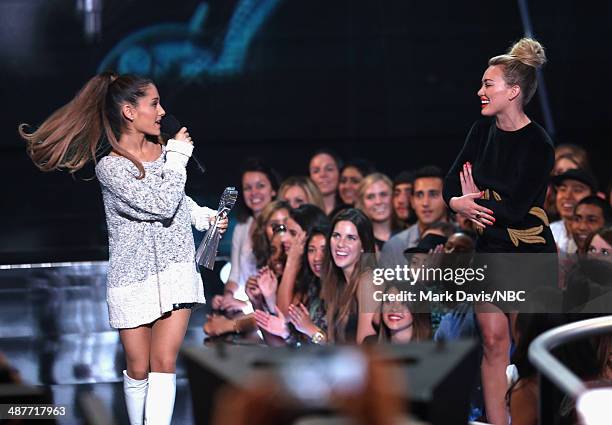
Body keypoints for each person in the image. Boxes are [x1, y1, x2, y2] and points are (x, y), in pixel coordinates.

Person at [19, 72, 228, 425]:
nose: (162, 111)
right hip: (133, 279)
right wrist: (178, 157)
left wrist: (204, 216)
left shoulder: (165, 151)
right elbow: (157, 203)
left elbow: (175, 200)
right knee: (138, 366)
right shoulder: (111, 167)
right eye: (154, 103)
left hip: (177, 268)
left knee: (164, 362)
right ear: (129, 112)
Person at [442, 39, 557, 424]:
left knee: (525, 350)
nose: (480, 91)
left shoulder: (538, 143)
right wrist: (459, 203)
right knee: (492, 342)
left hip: (527, 254)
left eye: (488, 84)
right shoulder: (480, 131)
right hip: (490, 250)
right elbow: (451, 185)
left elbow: (515, 206)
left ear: (513, 91)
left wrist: (474, 205)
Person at [215, 158, 278, 313]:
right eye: (248, 188)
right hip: (249, 306)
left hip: (270, 309)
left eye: (260, 186)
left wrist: (245, 306)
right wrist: (228, 297)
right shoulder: (242, 227)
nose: (254, 192)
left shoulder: (279, 227)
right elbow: (235, 273)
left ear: (273, 190)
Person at [379, 165, 449, 269]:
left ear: (447, 198)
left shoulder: (463, 239)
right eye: (419, 195)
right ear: (412, 201)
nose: (425, 203)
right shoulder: (395, 246)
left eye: (433, 194)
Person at [550, 169, 597, 254]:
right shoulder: (549, 231)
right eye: (562, 189)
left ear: (593, 197)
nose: (567, 196)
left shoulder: (602, 235)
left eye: (577, 190)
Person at [309, 149, 342, 215]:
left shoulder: (350, 211)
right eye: (316, 171)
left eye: (329, 169)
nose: (323, 175)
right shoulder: (303, 213)